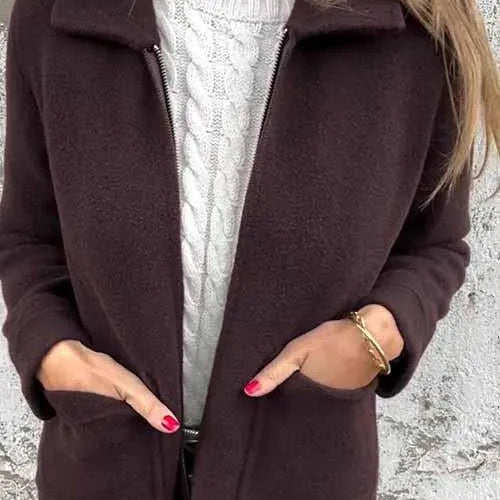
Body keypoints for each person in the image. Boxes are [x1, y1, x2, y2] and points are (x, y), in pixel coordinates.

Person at [0, 0, 498, 499]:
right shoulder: (56, 16)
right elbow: (30, 237)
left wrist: (375, 335)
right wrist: (51, 351)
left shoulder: (418, 29)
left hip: (305, 472)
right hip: (98, 472)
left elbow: (433, 244)